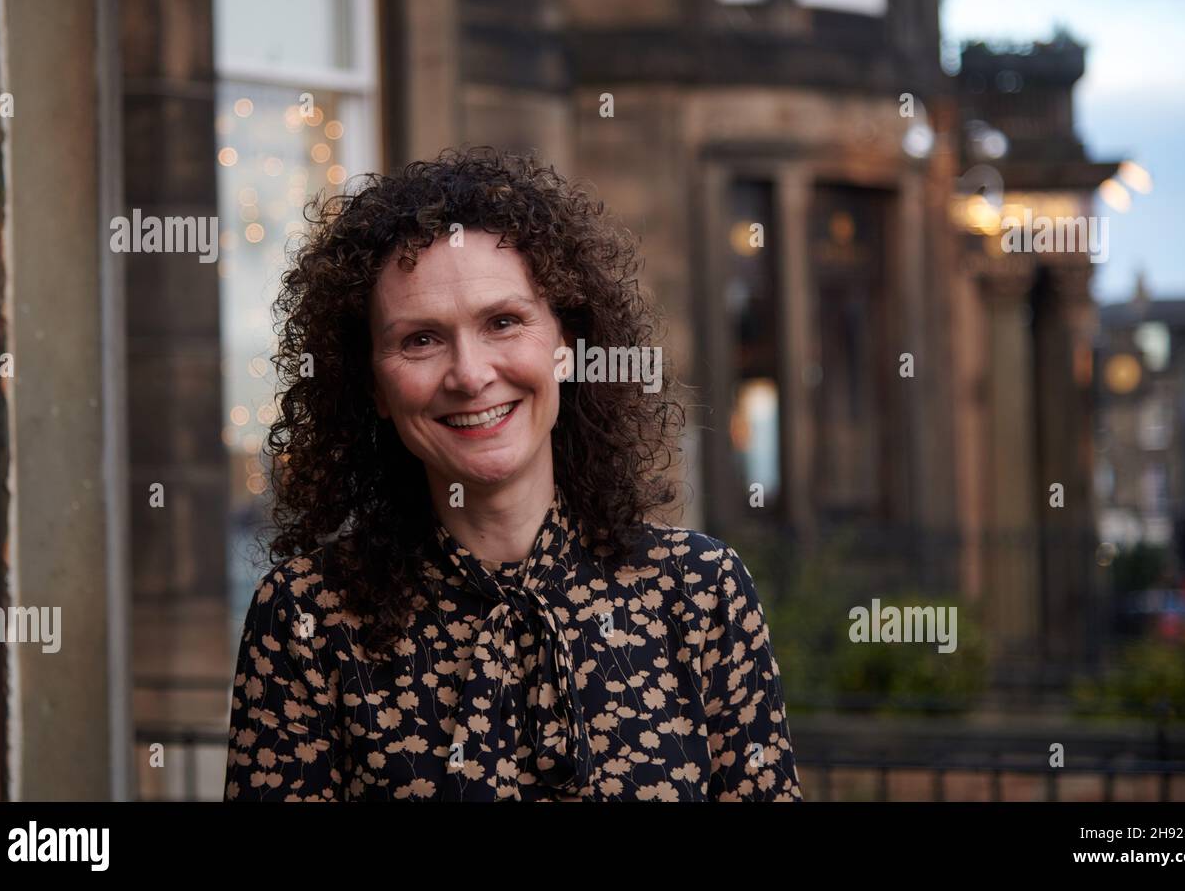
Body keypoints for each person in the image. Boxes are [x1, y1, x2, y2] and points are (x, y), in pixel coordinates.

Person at [223, 146, 803, 801]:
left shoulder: (699, 592)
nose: (470, 375)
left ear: (564, 347)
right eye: (420, 339)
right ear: (374, 386)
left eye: (503, 322)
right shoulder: (306, 620)